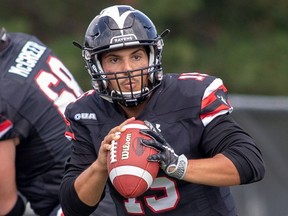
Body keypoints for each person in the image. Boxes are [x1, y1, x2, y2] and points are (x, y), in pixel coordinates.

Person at [59, 5, 265, 216]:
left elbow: (249, 162)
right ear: (96, 66)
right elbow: (73, 206)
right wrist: (100, 166)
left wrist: (178, 165)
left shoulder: (191, 96)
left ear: (152, 56)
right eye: (114, 59)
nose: (128, 69)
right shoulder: (87, 112)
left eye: (136, 56)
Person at [0, 27, 116, 216]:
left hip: (78, 200)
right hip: (106, 173)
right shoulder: (23, 41)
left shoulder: (4, 97)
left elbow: (6, 206)